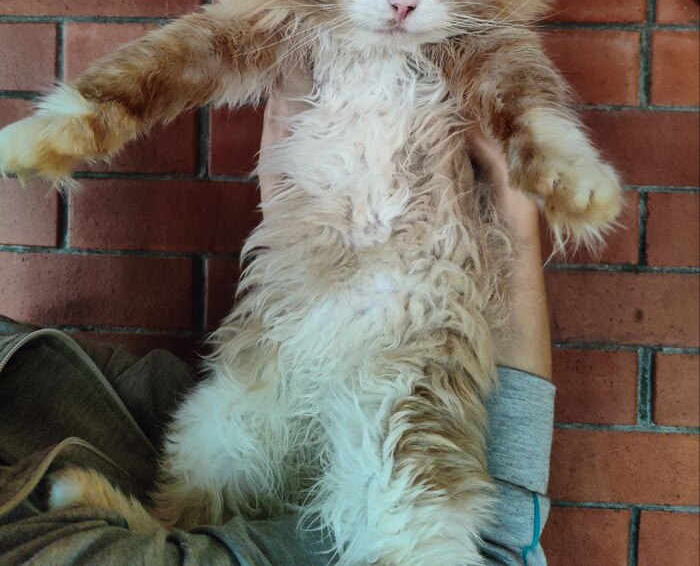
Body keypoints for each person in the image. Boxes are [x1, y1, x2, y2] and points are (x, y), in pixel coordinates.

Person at [0, 87, 555, 566]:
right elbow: (486, 550)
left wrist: (302, 248)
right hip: (404, 493)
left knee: (220, 434)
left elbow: (167, 402)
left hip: (320, 351)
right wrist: (517, 230)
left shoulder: (32, 370)